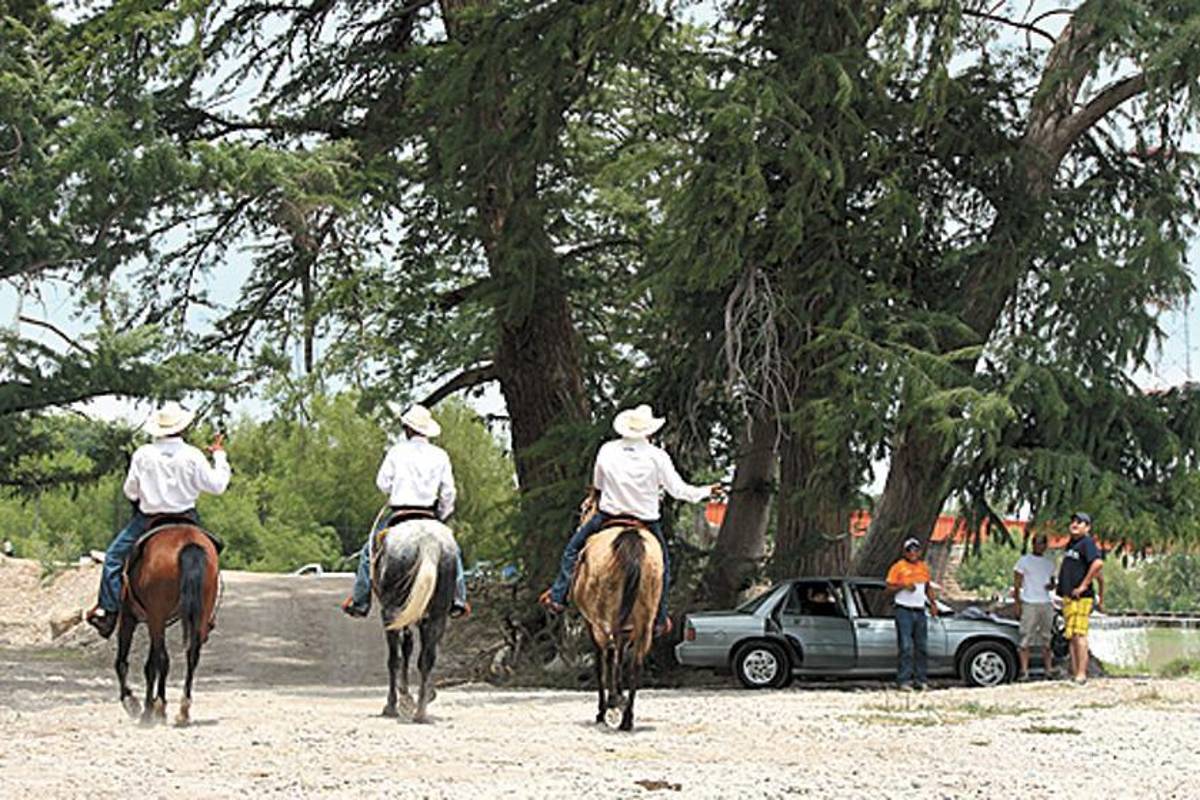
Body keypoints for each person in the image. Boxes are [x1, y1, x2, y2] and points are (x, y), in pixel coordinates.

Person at [538, 404, 720, 637]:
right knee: (663, 566)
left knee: (572, 550)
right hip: (646, 521)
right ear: (649, 431)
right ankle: (659, 617)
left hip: (609, 515)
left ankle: (558, 596)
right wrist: (706, 491)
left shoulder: (607, 450)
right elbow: (679, 490)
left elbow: (598, 484)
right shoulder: (657, 456)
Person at [85, 402, 230, 638]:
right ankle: (206, 615)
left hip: (149, 519)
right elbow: (217, 485)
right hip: (187, 518)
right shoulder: (193, 455)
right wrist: (219, 456)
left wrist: (147, 494)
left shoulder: (143, 454)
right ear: (182, 427)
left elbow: (130, 491)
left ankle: (108, 611)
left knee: (113, 558)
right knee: (211, 553)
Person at [341, 404, 469, 619]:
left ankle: (360, 601)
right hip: (429, 515)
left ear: (408, 428)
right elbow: (449, 492)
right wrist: (442, 514)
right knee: (453, 552)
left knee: (368, 553)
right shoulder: (440, 455)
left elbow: (382, 483)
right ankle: (458, 598)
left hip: (401, 514)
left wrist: (397, 490)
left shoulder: (396, 451)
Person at [885, 537, 939, 691]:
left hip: (920, 610)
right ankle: (904, 680)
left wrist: (933, 604)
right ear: (905, 552)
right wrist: (902, 586)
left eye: (916, 550)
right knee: (906, 646)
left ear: (920, 552)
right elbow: (888, 589)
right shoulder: (898, 567)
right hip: (904, 610)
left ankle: (920, 679)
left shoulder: (923, 567)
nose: (913, 553)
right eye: (910, 550)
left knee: (921, 647)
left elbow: (928, 587)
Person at [1057, 511, 1104, 685]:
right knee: (1071, 635)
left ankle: (1082, 674)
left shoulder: (1087, 543)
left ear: (1087, 527)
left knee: (1079, 634)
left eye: (1079, 522)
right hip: (1068, 596)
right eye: (1073, 521)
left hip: (1081, 597)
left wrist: (1084, 585)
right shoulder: (1071, 544)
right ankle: (1075, 671)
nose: (1074, 524)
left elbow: (1098, 563)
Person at [1013, 533, 1056, 680]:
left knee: (1047, 637)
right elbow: (1017, 584)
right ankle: (1024, 671)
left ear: (1045, 546)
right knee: (1026, 637)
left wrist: (1051, 586)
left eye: (1042, 543)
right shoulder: (1024, 561)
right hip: (1029, 601)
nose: (1039, 546)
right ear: (1033, 545)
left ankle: (1048, 670)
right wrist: (1017, 603)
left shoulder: (1049, 563)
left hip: (1046, 602)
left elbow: (1052, 582)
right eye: (1037, 543)